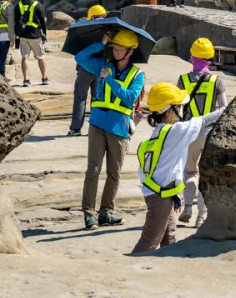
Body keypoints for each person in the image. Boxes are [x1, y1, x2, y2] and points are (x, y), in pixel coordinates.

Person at [132, 83, 225, 253]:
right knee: (150, 241)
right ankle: (131, 268)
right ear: (169, 110)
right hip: (159, 196)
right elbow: (203, 120)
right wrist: (226, 109)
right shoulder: (176, 131)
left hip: (160, 192)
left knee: (170, 237)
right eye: (180, 106)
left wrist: (173, 195)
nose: (183, 109)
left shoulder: (161, 131)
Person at [80, 28, 145, 229]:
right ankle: (89, 213)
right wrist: (102, 43)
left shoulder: (137, 75)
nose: (116, 51)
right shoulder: (101, 63)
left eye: (121, 48)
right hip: (97, 124)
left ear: (130, 51)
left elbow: (129, 98)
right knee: (93, 170)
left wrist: (109, 80)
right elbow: (80, 57)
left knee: (114, 173)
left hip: (119, 128)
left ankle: (106, 212)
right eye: (114, 47)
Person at [176, 37, 227, 226]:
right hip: (208, 132)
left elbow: (176, 108)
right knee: (205, 173)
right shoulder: (216, 82)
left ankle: (188, 206)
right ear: (210, 59)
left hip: (189, 131)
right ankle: (202, 216)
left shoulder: (183, 80)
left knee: (190, 172)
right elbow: (224, 108)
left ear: (192, 57)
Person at [68, 4, 108, 137]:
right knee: (97, 99)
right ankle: (96, 128)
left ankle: (76, 129)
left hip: (85, 69)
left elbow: (80, 51)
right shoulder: (109, 31)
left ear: (91, 16)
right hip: (100, 70)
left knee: (80, 98)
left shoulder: (85, 30)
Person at [14, 0, 49, 86]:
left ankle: (26, 80)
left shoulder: (18, 5)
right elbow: (43, 21)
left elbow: (15, 21)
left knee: (25, 57)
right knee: (40, 56)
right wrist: (45, 33)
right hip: (35, 35)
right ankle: (44, 78)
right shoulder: (38, 5)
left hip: (23, 36)